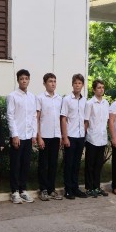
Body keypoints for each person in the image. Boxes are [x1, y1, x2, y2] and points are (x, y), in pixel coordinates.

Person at [6, 69, 37, 204]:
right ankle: (14, 191)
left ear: (29, 80)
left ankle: (23, 189)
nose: (24, 81)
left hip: (28, 136)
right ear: (18, 80)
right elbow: (10, 116)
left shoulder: (32, 97)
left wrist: (34, 134)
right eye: (21, 79)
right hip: (17, 136)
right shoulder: (12, 96)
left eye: (26, 78)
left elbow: (34, 116)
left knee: (25, 164)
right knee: (16, 164)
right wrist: (14, 135)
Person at [36, 73, 63, 201]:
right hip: (44, 136)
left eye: (54, 81)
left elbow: (60, 119)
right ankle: (43, 189)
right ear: (44, 83)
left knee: (53, 164)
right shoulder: (40, 98)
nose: (53, 83)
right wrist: (39, 137)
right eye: (50, 81)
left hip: (56, 136)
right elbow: (37, 118)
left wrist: (61, 136)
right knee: (43, 164)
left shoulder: (59, 99)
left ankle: (51, 189)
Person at [60, 73, 88, 199]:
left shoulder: (84, 100)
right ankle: (68, 189)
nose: (77, 85)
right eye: (75, 83)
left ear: (82, 85)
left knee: (77, 164)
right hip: (70, 136)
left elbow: (86, 119)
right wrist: (65, 137)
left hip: (80, 136)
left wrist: (84, 133)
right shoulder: (67, 99)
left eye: (80, 83)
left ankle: (75, 188)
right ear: (72, 84)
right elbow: (63, 118)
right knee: (69, 164)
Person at [83, 79, 110, 197]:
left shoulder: (106, 103)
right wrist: (84, 137)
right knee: (90, 164)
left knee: (99, 164)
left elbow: (106, 120)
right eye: (99, 87)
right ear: (94, 89)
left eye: (103, 87)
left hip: (102, 138)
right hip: (92, 138)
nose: (101, 89)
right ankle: (89, 188)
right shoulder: (90, 103)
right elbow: (86, 121)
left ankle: (97, 187)